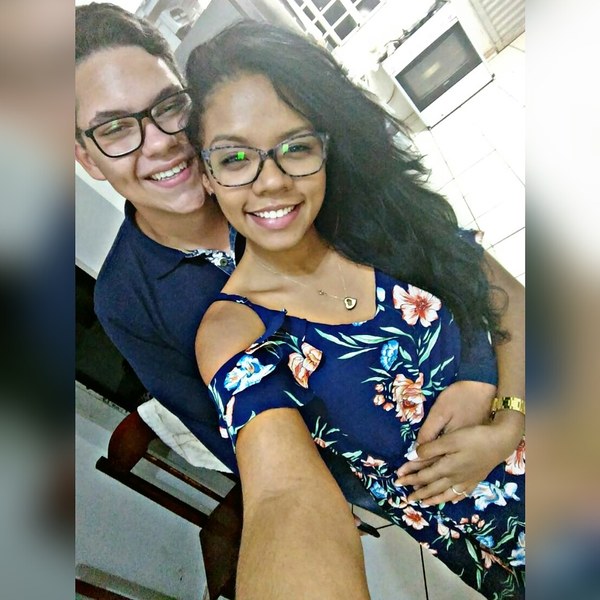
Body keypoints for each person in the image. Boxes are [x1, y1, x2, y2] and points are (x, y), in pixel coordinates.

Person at [75, 3, 524, 506]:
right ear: (85, 158)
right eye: (114, 129)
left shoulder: (303, 184)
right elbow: (248, 451)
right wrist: (394, 496)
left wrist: (494, 399)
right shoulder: (127, 302)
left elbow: (469, 277)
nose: (161, 142)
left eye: (168, 107)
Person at [188, 20, 525, 599]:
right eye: (236, 157)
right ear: (207, 175)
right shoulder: (237, 331)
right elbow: (283, 498)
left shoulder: (384, 218)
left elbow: (514, 303)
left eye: (296, 148)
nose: (271, 181)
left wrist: (505, 417)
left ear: (325, 149)